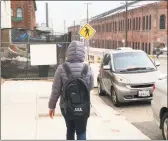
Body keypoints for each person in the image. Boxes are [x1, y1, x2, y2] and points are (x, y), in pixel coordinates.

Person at [48, 41, 94, 140]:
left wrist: (52, 107)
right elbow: (90, 87)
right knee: (81, 131)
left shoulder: (61, 68)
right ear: (83, 53)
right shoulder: (87, 68)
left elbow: (56, 90)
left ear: (68, 52)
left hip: (66, 106)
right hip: (83, 106)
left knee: (70, 129)